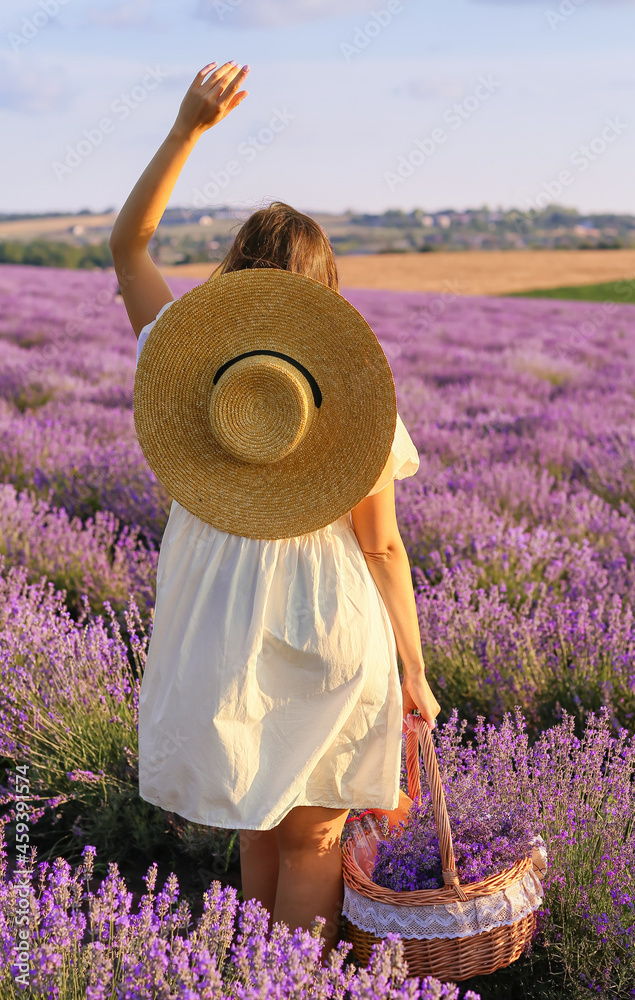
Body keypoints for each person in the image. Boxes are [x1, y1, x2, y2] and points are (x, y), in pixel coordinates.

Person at [109, 60, 441, 959]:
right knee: (312, 841)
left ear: (235, 278)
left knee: (257, 830)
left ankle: (255, 979)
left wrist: (186, 129)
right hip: (331, 629)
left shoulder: (183, 374)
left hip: (217, 632)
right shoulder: (358, 403)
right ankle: (289, 986)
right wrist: (412, 671)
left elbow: (128, 248)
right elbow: (382, 553)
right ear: (323, 296)